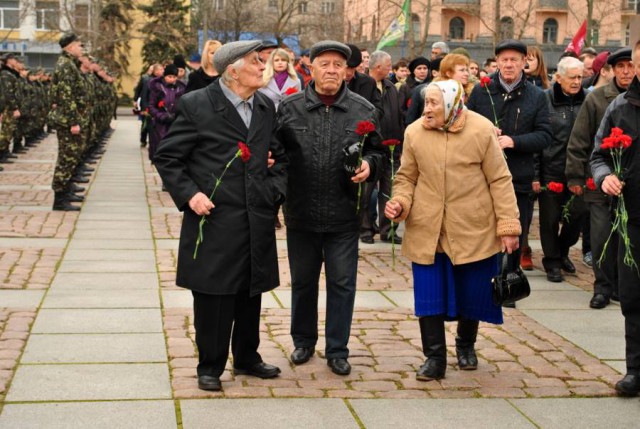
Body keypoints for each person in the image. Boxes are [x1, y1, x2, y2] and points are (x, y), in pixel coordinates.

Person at [154, 40, 288, 392]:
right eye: (257, 62)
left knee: (250, 290)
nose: (264, 67)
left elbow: (279, 155)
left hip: (255, 217)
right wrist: (190, 195)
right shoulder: (198, 104)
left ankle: (247, 357)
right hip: (214, 217)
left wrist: (273, 190)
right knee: (214, 296)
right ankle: (210, 365)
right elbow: (168, 157)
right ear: (233, 69)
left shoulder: (264, 105)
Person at [385, 80, 520, 381]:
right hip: (427, 228)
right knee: (428, 293)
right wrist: (400, 203)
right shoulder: (414, 132)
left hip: (473, 226)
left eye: (433, 103)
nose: (426, 109)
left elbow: (500, 179)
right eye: (425, 102)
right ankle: (434, 358)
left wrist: (508, 225)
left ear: (451, 103)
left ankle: (465, 345)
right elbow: (406, 178)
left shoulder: (481, 129)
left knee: (472, 291)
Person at [276, 41, 383, 376]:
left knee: (342, 283)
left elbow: (380, 153)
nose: (332, 70)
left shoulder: (363, 109)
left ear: (347, 70)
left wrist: (370, 165)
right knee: (303, 282)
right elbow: (277, 157)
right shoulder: (289, 108)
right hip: (301, 211)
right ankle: (303, 341)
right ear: (312, 67)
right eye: (325, 64)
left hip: (344, 214)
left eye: (339, 64)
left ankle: (337, 349)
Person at [467, 39, 552, 298]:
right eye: (503, 60)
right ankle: (479, 283)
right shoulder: (482, 91)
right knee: (481, 231)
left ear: (525, 62)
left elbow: (545, 135)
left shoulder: (537, 95)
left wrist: (514, 141)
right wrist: (484, 131)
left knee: (514, 233)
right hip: (481, 178)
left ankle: (508, 285)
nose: (508, 64)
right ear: (497, 62)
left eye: (514, 59)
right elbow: (465, 123)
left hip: (518, 178)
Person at [590, 40, 640, 396]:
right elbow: (597, 156)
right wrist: (604, 175)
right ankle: (635, 369)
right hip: (633, 217)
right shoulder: (621, 107)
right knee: (634, 297)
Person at [566, 47, 633, 309]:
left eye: (630, 65)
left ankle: (619, 286)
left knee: (624, 237)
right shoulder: (597, 100)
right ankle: (602, 287)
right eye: (621, 67)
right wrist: (574, 176)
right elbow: (580, 139)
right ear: (612, 71)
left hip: (629, 185)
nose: (626, 71)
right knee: (602, 236)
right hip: (599, 182)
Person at [534, 57, 587, 283]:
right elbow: (538, 138)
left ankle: (563, 250)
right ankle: (553, 261)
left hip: (578, 171)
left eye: (580, 77)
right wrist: (536, 174)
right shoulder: (544, 101)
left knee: (577, 217)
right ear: (558, 78)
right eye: (572, 77)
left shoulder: (588, 100)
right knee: (550, 219)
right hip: (551, 169)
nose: (577, 82)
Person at [359, 50, 404, 245]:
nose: (390, 67)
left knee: (390, 190)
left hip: (391, 147)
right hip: (370, 148)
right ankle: (365, 229)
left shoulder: (391, 87)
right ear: (378, 67)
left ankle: (388, 230)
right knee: (366, 191)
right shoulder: (363, 87)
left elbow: (398, 115)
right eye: (388, 64)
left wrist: (400, 142)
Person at [48, 33, 89, 211]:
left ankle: (66, 191)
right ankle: (60, 198)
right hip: (67, 120)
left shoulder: (69, 64)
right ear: (70, 46)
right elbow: (66, 96)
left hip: (70, 118)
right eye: (79, 45)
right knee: (66, 158)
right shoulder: (65, 65)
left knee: (71, 157)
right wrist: (73, 121)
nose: (81, 49)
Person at [148, 64, 186, 163]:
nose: (172, 79)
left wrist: (176, 115)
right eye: (169, 77)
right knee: (160, 143)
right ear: (164, 76)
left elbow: (184, 105)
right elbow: (151, 106)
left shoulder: (181, 88)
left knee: (173, 144)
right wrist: (161, 116)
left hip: (174, 122)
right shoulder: (157, 88)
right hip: (160, 123)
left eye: (174, 77)